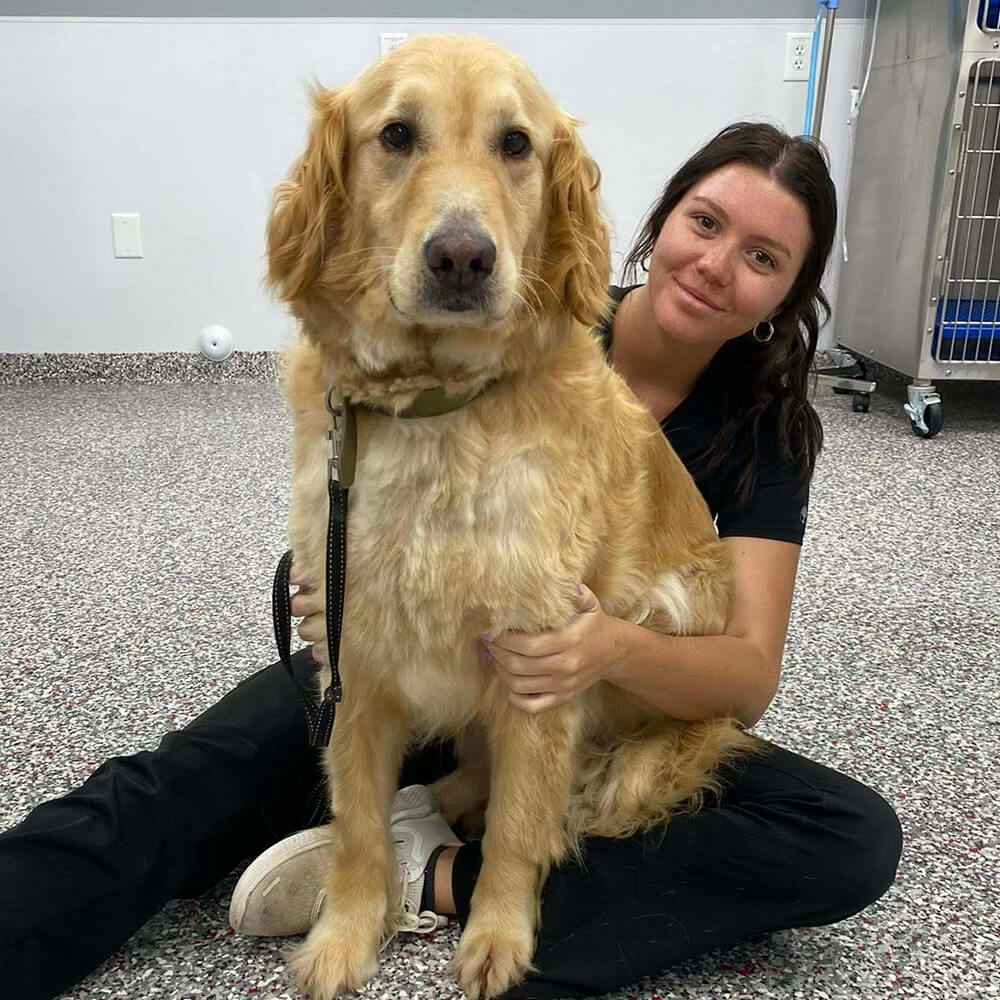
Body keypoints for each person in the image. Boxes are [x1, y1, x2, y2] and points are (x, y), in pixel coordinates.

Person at [0, 121, 902, 1000]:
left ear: (784, 298)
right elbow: (352, 456)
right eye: (705, 222)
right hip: (415, 653)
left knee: (847, 838)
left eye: (762, 258)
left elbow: (745, 677)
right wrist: (332, 574)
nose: (715, 264)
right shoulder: (508, 305)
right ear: (661, 221)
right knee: (193, 777)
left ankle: (433, 876)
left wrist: (607, 647)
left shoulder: (766, 435)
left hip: (596, 705)